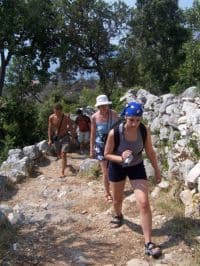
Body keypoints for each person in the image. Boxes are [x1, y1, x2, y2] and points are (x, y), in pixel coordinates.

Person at [104, 101, 162, 258]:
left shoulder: (143, 130)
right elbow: (106, 154)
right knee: (117, 200)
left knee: (144, 202)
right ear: (125, 118)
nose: (135, 123)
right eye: (131, 120)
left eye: (138, 119)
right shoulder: (115, 133)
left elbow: (149, 151)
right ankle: (118, 215)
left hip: (136, 165)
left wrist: (157, 170)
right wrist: (120, 157)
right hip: (117, 165)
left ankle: (148, 242)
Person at [90, 95, 119, 203]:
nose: (104, 108)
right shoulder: (94, 117)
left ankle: (115, 190)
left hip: (113, 145)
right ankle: (107, 193)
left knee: (114, 169)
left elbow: (118, 129)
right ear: (98, 106)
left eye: (105, 105)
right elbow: (93, 134)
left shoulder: (114, 114)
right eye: (101, 106)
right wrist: (91, 149)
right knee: (105, 171)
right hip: (101, 146)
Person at [48, 103, 76, 178]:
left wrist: (73, 138)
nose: (57, 113)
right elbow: (50, 129)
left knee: (63, 153)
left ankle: (62, 172)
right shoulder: (51, 117)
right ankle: (65, 163)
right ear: (54, 110)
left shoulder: (66, 117)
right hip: (56, 138)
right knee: (59, 154)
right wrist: (50, 139)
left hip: (65, 137)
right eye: (55, 111)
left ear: (61, 110)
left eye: (58, 111)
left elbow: (71, 128)